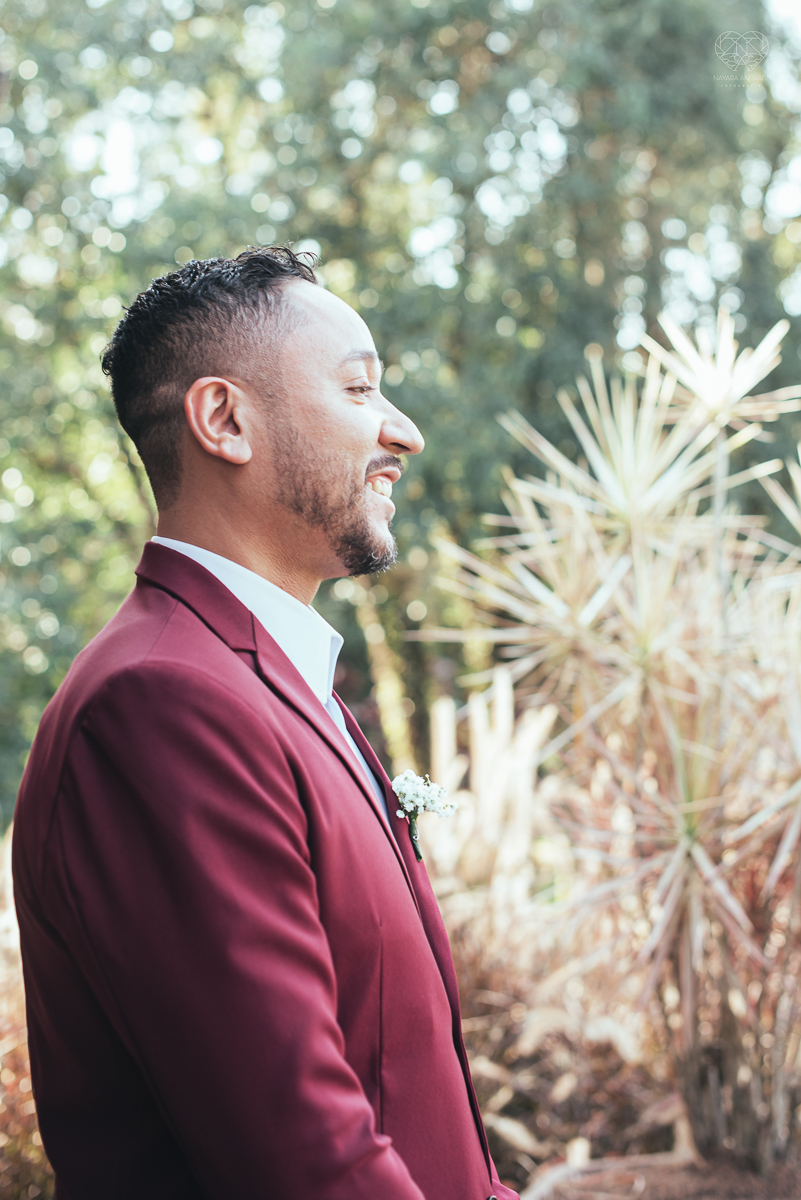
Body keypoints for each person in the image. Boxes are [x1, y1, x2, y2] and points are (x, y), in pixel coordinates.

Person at [13, 247, 518, 1200]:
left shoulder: (270, 680)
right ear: (224, 419)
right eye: (360, 388)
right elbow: (300, 1158)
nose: (401, 433)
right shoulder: (159, 704)